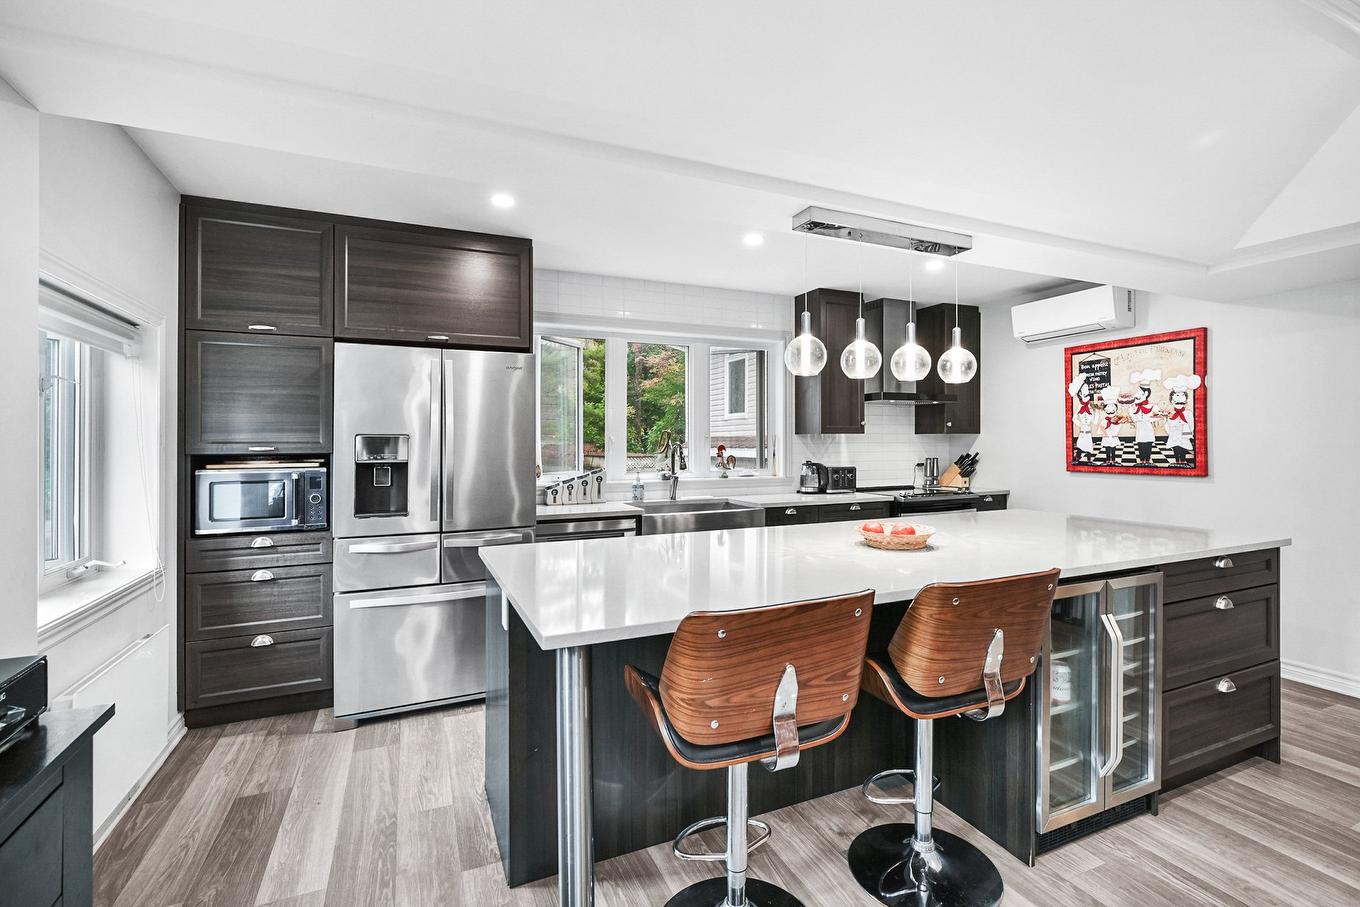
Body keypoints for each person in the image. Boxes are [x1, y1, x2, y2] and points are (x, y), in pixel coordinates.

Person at [1162, 373, 1202, 466]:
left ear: (1186, 401)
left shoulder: (1188, 413)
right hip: (1174, 435)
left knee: (1183, 449)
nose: (1179, 398)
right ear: (1172, 401)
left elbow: (1191, 424)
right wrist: (1166, 423)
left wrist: (1190, 432)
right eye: (1177, 395)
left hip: (1184, 435)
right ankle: (1177, 462)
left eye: (1182, 395)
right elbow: (1168, 425)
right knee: (1176, 449)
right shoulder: (1171, 413)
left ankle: (1183, 462)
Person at [1128, 369, 1161, 465]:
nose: (1136, 395)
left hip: (1148, 429)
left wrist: (1152, 418)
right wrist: (1131, 409)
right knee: (1141, 445)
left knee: (1148, 445)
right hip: (1140, 429)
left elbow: (1158, 417)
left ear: (1146, 394)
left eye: (1139, 392)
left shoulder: (1153, 406)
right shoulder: (1134, 407)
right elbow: (1134, 419)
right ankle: (1142, 461)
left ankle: (1148, 460)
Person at [1069, 375, 1097, 464]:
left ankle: (1089, 460)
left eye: (1087, 388)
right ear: (1080, 394)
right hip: (1082, 432)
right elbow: (1074, 418)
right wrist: (1080, 424)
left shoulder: (1091, 406)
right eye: (1084, 389)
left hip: (1088, 431)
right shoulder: (1080, 406)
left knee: (1089, 446)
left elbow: (1094, 422)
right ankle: (1077, 458)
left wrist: (1096, 413)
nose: (1087, 390)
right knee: (1080, 445)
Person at [1097, 386, 1123, 464]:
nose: (1110, 410)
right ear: (1105, 409)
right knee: (1107, 448)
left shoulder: (1117, 419)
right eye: (1108, 407)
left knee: (1113, 447)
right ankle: (1108, 459)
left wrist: (1115, 429)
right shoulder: (1105, 420)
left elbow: (1119, 425)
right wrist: (1105, 433)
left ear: (1116, 408)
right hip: (1106, 436)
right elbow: (1101, 427)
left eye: (1112, 407)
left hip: (1114, 435)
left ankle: (1113, 459)